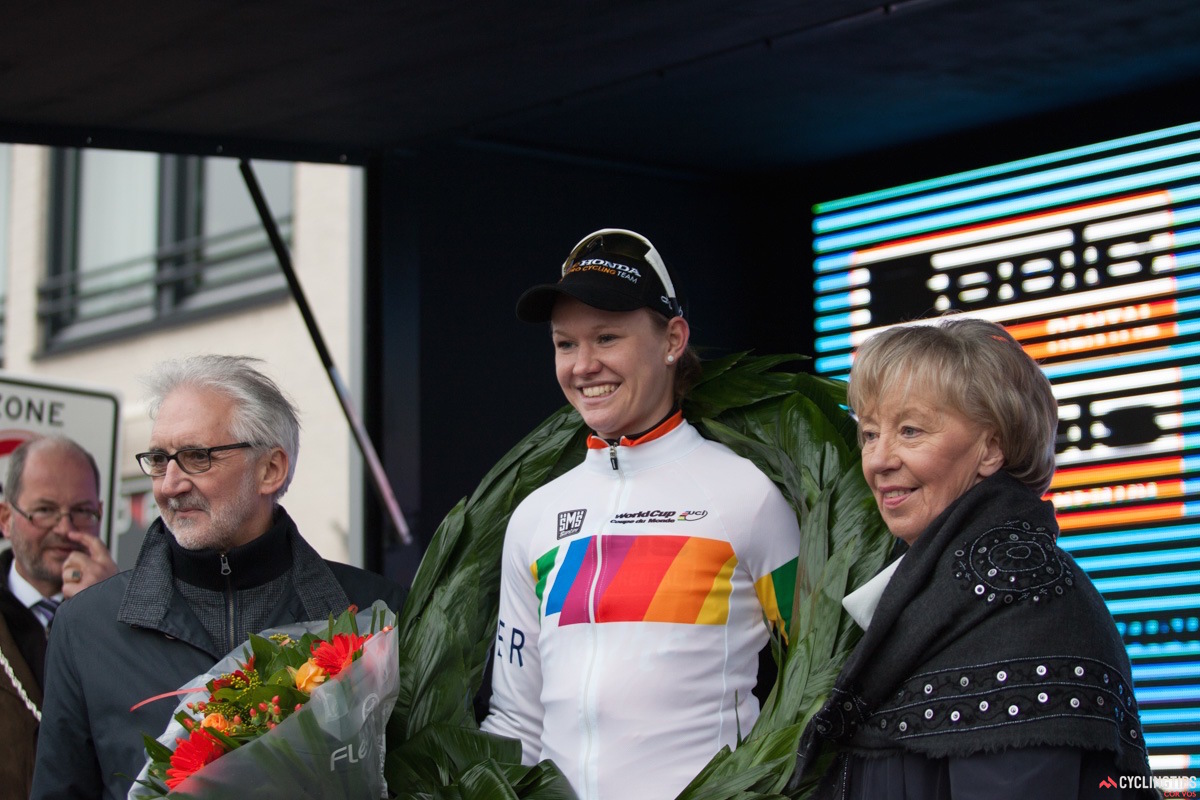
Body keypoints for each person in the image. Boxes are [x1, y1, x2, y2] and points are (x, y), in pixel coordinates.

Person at [480, 229, 803, 800]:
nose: (583, 366)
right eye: (564, 344)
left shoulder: (745, 497)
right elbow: (516, 722)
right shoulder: (536, 515)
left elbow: (814, 681)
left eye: (607, 337)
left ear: (673, 338)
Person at [793, 317, 1154, 799]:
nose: (878, 460)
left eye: (910, 430)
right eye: (870, 434)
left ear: (991, 447)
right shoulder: (940, 598)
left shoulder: (1024, 603)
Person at [30, 355, 408, 800]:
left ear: (271, 470)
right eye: (158, 458)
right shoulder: (85, 626)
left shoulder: (376, 612)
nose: (170, 484)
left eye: (196, 457)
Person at [0, 435, 117, 800]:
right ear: (6, 518)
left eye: (82, 511)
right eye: (45, 510)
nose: (65, 530)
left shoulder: (133, 613)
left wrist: (109, 611)